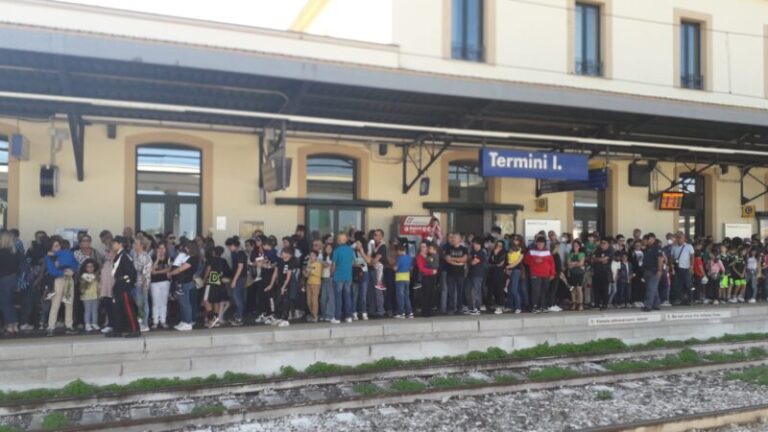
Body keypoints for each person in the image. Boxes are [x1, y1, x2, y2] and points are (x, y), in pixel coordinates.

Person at [45, 238, 79, 336]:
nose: (58, 247)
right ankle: (51, 326)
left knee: (69, 303)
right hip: (58, 280)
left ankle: (69, 325)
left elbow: (75, 263)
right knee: (55, 304)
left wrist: (72, 270)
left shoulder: (67, 253)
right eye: (55, 246)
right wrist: (64, 272)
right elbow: (52, 271)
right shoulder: (49, 257)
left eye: (58, 245)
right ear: (51, 247)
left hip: (68, 278)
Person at [108, 236, 140, 338]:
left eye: (114, 243)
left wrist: (129, 284)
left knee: (128, 308)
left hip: (124, 285)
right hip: (118, 284)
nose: (113, 245)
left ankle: (135, 330)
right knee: (117, 308)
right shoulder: (118, 255)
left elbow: (132, 272)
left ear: (120, 244)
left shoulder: (124, 256)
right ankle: (118, 330)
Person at [168, 242, 199, 331]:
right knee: (182, 303)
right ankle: (184, 321)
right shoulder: (189, 257)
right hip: (182, 282)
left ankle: (188, 322)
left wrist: (170, 273)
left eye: (187, 248)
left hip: (187, 283)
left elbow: (180, 269)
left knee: (186, 304)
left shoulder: (193, 259)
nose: (186, 249)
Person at [524, 236, 555, 313]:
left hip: (546, 274)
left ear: (544, 244)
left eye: (541, 243)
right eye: (538, 243)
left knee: (544, 290)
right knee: (535, 290)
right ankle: (534, 306)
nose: (540, 245)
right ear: (536, 243)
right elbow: (526, 261)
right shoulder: (531, 251)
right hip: (535, 274)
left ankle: (543, 306)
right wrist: (534, 261)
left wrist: (552, 274)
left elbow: (552, 264)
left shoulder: (548, 252)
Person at [203, 246, 230, 328]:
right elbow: (227, 271)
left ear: (214, 252)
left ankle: (210, 320)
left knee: (206, 301)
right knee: (216, 302)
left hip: (211, 281)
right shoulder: (223, 261)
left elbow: (208, 270)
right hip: (219, 282)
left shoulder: (210, 260)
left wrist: (204, 280)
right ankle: (216, 320)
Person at [268, 246, 296, 327]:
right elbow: (275, 273)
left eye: (283, 253)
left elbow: (288, 276)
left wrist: (284, 286)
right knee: (278, 300)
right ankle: (279, 317)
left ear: (288, 254)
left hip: (287, 283)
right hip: (279, 282)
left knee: (285, 301)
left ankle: (285, 319)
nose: (282, 254)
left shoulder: (291, 262)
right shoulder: (279, 261)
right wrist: (271, 284)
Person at [0, 231, 21, 335]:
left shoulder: (1, 252)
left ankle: (9, 325)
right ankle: (15, 324)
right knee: (11, 303)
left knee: (5, 304)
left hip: (3, 280)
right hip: (14, 279)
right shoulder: (15, 252)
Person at [331, 233, 355, 324]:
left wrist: (331, 274)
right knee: (348, 296)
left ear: (339, 240)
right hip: (348, 276)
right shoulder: (350, 250)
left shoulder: (336, 251)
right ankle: (348, 317)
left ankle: (337, 317)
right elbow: (353, 262)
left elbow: (333, 265)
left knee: (338, 297)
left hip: (338, 276)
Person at [444, 233, 468, 314]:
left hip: (460, 274)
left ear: (459, 239)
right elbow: (447, 259)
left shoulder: (464, 249)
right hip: (450, 273)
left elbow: (464, 259)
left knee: (460, 292)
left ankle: (459, 308)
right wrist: (457, 263)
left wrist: (453, 258)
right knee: (450, 292)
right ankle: (451, 308)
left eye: (455, 237)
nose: (453, 239)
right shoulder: (449, 248)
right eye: (453, 237)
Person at [226, 237, 248, 326]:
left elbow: (240, 267)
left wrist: (234, 280)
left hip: (240, 278)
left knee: (237, 298)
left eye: (229, 246)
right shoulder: (238, 253)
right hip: (240, 278)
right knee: (239, 298)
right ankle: (239, 315)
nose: (229, 248)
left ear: (233, 245)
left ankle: (239, 318)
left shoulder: (240, 254)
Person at [133, 236, 152, 332]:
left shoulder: (145, 256)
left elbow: (146, 272)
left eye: (136, 243)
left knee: (143, 304)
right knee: (138, 304)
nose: (134, 245)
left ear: (141, 245)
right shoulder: (135, 255)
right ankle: (140, 322)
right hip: (136, 283)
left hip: (142, 284)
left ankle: (144, 324)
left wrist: (145, 285)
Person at [150, 243, 172, 329]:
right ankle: (155, 321)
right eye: (160, 248)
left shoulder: (169, 258)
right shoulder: (153, 258)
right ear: (157, 249)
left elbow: (168, 269)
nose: (162, 250)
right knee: (155, 302)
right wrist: (158, 259)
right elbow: (151, 270)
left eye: (163, 248)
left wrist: (158, 272)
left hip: (165, 282)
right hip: (154, 282)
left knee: (164, 302)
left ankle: (163, 320)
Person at [670, 232, 695, 305]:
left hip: (686, 268)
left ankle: (690, 300)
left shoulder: (689, 246)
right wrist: (672, 266)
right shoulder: (674, 247)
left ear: (684, 239)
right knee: (678, 284)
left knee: (688, 284)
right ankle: (679, 299)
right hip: (677, 268)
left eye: (680, 237)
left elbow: (692, 257)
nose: (678, 239)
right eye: (677, 237)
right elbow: (671, 257)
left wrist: (691, 266)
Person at [642, 233, 665, 312]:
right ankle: (656, 304)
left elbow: (660, 259)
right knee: (654, 289)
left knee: (650, 288)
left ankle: (648, 306)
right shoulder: (647, 248)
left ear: (653, 239)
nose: (647, 241)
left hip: (654, 271)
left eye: (648, 239)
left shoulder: (657, 248)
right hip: (647, 271)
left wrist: (659, 270)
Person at [465, 238, 486, 315]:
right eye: (473, 243)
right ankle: (470, 308)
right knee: (467, 290)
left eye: (476, 243)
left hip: (478, 274)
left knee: (477, 291)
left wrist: (469, 261)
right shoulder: (472, 252)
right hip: (470, 274)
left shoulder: (481, 253)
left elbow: (473, 262)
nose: (474, 245)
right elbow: (468, 260)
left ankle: (478, 308)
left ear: (479, 244)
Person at [504, 235, 525, 314]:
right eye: (514, 239)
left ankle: (518, 307)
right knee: (509, 289)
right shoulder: (508, 249)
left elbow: (518, 261)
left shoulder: (521, 250)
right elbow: (507, 259)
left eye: (517, 240)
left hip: (516, 270)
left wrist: (508, 267)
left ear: (520, 241)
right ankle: (510, 306)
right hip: (509, 269)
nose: (515, 241)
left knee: (514, 289)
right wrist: (507, 268)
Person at [78, 258, 100, 332]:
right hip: (86, 296)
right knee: (87, 311)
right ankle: (87, 324)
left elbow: (98, 286)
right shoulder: (84, 275)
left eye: (92, 266)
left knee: (95, 310)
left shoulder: (96, 276)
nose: (90, 268)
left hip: (95, 296)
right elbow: (89, 280)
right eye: (88, 267)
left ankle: (94, 323)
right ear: (85, 268)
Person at [592, 238, 614, 310]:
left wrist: (598, 259)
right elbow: (593, 259)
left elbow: (602, 259)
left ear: (608, 244)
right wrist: (600, 259)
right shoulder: (597, 250)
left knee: (605, 289)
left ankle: (605, 304)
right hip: (597, 272)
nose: (602, 244)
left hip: (605, 272)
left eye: (604, 243)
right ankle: (597, 304)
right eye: (601, 243)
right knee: (596, 289)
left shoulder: (610, 250)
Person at [486, 240, 507, 314]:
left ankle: (501, 306)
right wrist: (494, 260)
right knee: (492, 289)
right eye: (497, 245)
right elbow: (489, 262)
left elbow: (499, 263)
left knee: (499, 289)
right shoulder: (492, 251)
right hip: (492, 273)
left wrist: (495, 255)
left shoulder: (504, 253)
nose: (498, 247)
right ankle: (493, 304)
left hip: (500, 273)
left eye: (500, 246)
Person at [394, 244, 414, 319]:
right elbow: (411, 267)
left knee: (400, 296)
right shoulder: (410, 258)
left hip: (399, 278)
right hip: (407, 278)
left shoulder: (400, 258)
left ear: (399, 251)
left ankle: (401, 312)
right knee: (406, 296)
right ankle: (410, 312)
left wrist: (393, 267)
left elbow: (396, 268)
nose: (397, 253)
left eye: (397, 251)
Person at [304, 249, 323, 322]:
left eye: (313, 255)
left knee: (314, 300)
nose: (311, 257)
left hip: (316, 283)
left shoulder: (318, 264)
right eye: (310, 255)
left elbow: (318, 273)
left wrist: (310, 271)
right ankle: (312, 314)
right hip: (309, 283)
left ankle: (315, 315)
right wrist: (306, 272)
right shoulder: (309, 263)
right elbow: (306, 274)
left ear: (316, 256)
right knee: (309, 300)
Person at [568, 240, 586, 311]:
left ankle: (580, 303)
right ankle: (574, 302)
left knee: (579, 289)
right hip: (572, 273)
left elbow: (581, 263)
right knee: (572, 289)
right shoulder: (571, 254)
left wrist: (573, 263)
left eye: (576, 246)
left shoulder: (581, 254)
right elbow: (568, 265)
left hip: (579, 273)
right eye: (574, 246)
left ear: (579, 246)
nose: (575, 247)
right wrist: (576, 263)